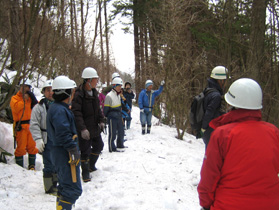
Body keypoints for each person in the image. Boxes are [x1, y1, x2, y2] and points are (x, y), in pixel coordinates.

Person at [197, 78, 279, 210]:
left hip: (228, 205)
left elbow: (209, 177)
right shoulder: (274, 132)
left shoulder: (222, 134)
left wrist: (205, 204)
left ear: (231, 104)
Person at [46, 75, 82, 210]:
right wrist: (72, 149)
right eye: (71, 91)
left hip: (60, 152)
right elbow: (62, 133)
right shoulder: (59, 110)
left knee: (64, 186)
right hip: (64, 153)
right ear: (65, 92)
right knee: (72, 189)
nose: (72, 94)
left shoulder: (58, 108)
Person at [71, 67, 105, 182]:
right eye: (95, 79)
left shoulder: (95, 93)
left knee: (99, 145)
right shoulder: (79, 95)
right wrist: (82, 129)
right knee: (85, 151)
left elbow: (98, 109)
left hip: (94, 127)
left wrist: (101, 120)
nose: (97, 81)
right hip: (85, 128)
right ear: (88, 80)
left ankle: (91, 165)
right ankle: (85, 172)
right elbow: (77, 113)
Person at [30, 80, 57, 194]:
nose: (50, 92)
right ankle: (49, 187)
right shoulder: (38, 107)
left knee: (57, 162)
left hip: (57, 137)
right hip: (46, 138)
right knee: (49, 163)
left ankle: (55, 184)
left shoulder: (59, 105)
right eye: (47, 90)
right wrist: (38, 139)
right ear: (44, 92)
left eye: (52, 90)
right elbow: (34, 124)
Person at [10, 78, 38, 169]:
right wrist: (24, 100)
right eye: (23, 86)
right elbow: (16, 108)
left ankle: (32, 165)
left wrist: (32, 98)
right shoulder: (15, 98)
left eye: (26, 87)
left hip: (31, 125)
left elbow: (37, 108)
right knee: (21, 148)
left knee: (32, 147)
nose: (24, 88)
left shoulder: (31, 99)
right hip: (20, 126)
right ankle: (19, 167)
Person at [201, 66, 229, 148]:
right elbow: (209, 112)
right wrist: (204, 128)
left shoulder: (208, 90)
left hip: (207, 130)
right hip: (210, 130)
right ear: (221, 80)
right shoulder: (216, 95)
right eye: (225, 80)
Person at [104, 77, 126, 152]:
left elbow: (120, 105)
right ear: (114, 86)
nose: (120, 88)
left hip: (119, 115)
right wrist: (106, 117)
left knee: (121, 131)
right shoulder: (109, 96)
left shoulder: (119, 95)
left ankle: (120, 145)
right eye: (119, 86)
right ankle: (111, 147)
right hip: (112, 116)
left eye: (121, 86)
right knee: (112, 133)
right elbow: (106, 109)